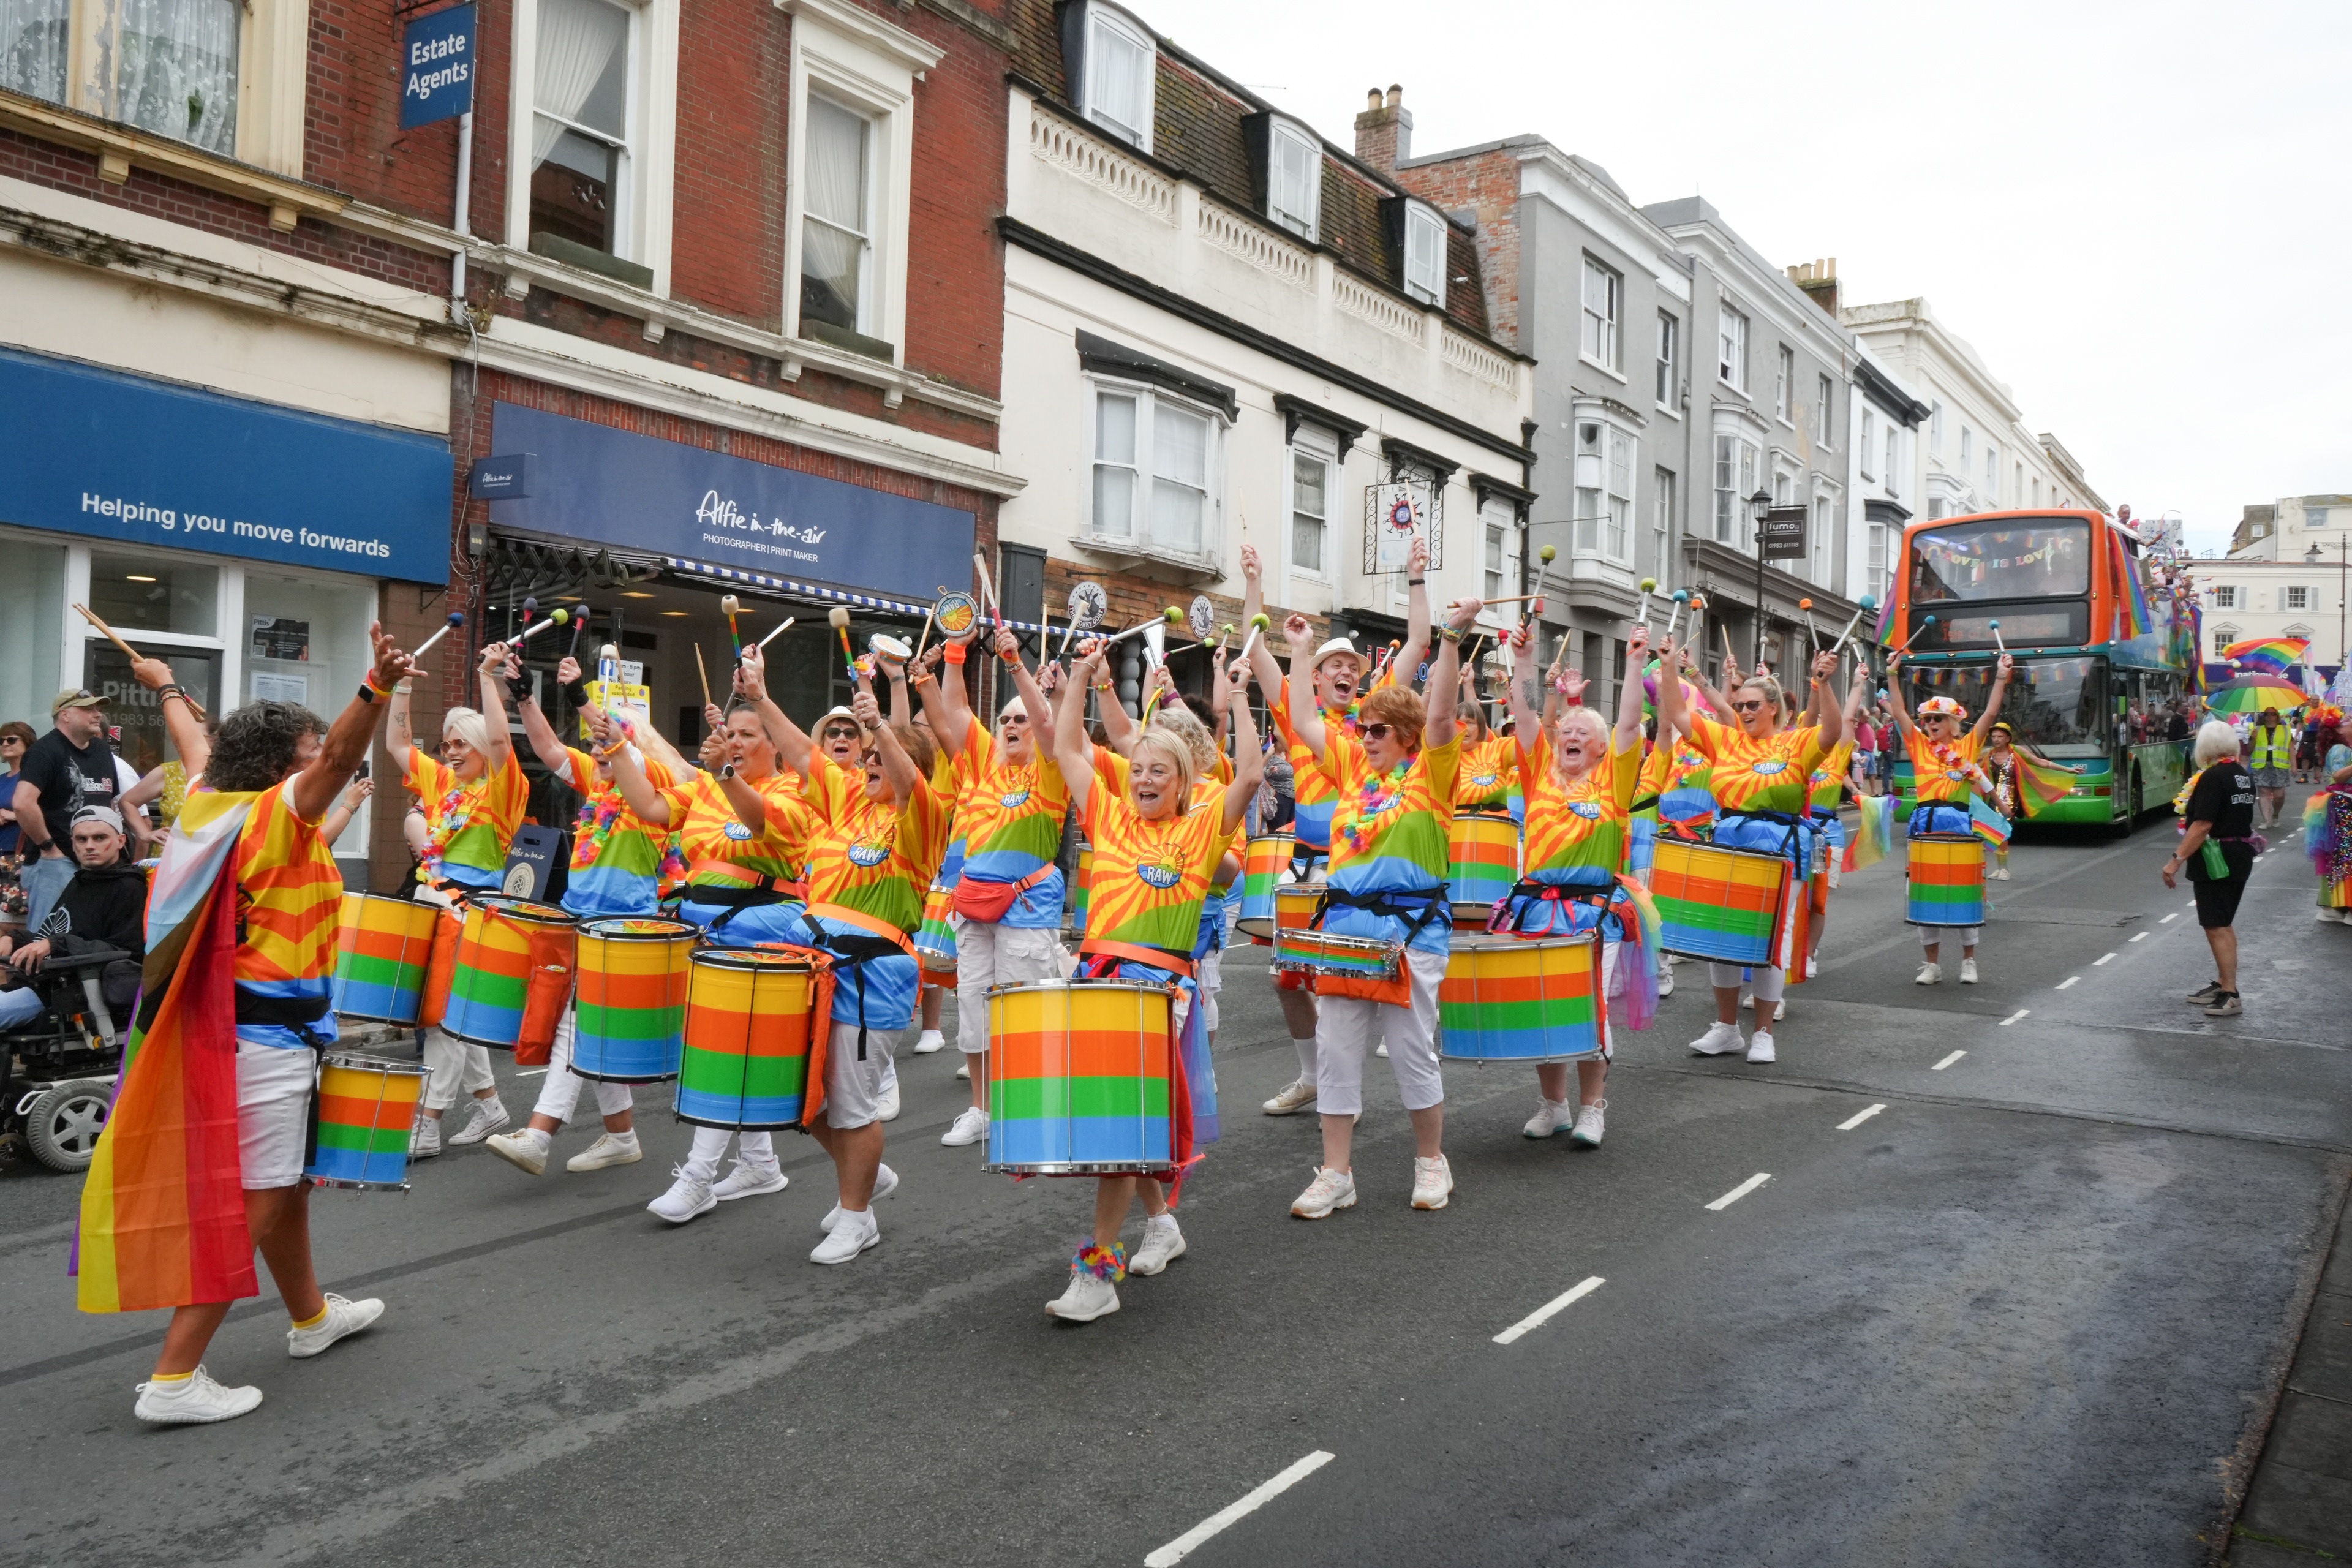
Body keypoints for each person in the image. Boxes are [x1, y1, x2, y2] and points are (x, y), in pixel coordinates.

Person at [83, 634, 413, 1425]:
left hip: (235, 1036)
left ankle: (311, 1318)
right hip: (267, 1044)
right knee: (258, 1198)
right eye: (302, 755)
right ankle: (174, 1377)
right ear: (277, 770)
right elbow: (337, 758)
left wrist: (164, 685)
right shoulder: (275, 814)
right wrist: (374, 686)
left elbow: (198, 742)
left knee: (288, 1184)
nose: (319, 765)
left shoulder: (205, 800)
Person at [1036, 640, 1259, 1319]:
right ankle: (1161, 1222)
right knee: (1116, 1127)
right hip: (1096, 982)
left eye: (1159, 770)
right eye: (1138, 769)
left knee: (1116, 1135)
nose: (1144, 779)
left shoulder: (1201, 832)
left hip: (1160, 993)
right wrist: (1078, 676)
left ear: (1185, 782)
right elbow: (1070, 751)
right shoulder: (1108, 815)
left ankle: (1097, 1276)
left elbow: (1249, 774)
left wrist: (1243, 699)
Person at [742, 654, 948, 1265]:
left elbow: (910, 781)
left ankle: (858, 1217)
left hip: (873, 975)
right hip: (816, 969)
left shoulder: (924, 817)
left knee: (853, 1103)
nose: (871, 766)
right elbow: (801, 751)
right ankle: (867, 1175)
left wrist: (881, 725)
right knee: (809, 1099)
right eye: (869, 759)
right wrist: (758, 695)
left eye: (881, 759)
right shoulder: (850, 803)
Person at [1283, 595, 1476, 1219]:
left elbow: (1442, 712)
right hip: (1346, 928)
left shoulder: (1430, 776)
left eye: (1376, 730)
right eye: (1362, 728)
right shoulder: (1351, 770)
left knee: (1413, 1048)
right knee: (1336, 1050)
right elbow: (1307, 719)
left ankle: (1430, 1161)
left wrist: (1449, 639)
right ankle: (1335, 1173)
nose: (1362, 737)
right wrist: (1298, 652)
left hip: (1410, 932)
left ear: (1406, 736)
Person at [607, 670, 820, 1223]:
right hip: (704, 933)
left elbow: (762, 823)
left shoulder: (796, 789)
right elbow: (651, 807)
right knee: (725, 1049)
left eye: (749, 735)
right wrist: (616, 747)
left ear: (775, 743)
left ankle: (699, 1177)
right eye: (733, 733)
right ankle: (760, 1164)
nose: (736, 742)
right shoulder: (704, 786)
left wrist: (724, 771)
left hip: (763, 933)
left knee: (724, 1052)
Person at [1240, 540, 1431, 1118]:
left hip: (1361, 869)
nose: (1345, 672)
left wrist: (1416, 578)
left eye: (1352, 666)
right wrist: (1255, 581)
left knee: (1349, 982)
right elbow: (1258, 654)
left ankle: (1365, 1074)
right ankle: (1313, 1075)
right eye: (1333, 666)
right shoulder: (1299, 716)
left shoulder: (1377, 717)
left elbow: (1419, 643)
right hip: (1305, 865)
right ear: (1317, 679)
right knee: (1288, 981)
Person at [485, 655, 684, 1178]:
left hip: (625, 929)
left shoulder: (654, 782)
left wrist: (582, 700)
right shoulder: (598, 788)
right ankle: (621, 1137)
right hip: (581, 923)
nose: (599, 749)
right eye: (596, 745)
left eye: (608, 743)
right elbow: (549, 750)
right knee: (593, 1030)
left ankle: (538, 1135)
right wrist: (527, 697)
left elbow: (621, 745)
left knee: (577, 1028)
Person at [916, 623, 1070, 1150]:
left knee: (1022, 1008)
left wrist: (1015, 667)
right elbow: (954, 715)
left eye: (1019, 719)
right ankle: (981, 1108)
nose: (1009, 724)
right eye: (1003, 718)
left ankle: (1025, 1106)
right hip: (974, 908)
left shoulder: (1051, 771)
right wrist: (950, 658)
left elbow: (1051, 724)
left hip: (1028, 907)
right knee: (977, 1008)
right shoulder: (983, 768)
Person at [1654, 639, 1844, 1064]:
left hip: (1780, 851)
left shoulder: (1796, 745)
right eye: (1741, 706)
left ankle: (1763, 1032)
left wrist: (1824, 684)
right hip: (1728, 848)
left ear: (1774, 707)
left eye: (1753, 705)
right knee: (1723, 937)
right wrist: (1669, 669)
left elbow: (1832, 732)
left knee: (1771, 939)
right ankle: (1725, 1029)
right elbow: (1681, 715)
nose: (1745, 712)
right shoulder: (1726, 741)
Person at [1498, 621, 1651, 1145]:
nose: (1573, 734)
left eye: (1585, 731)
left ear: (1604, 750)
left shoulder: (1615, 781)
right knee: (1544, 1007)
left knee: (1590, 1007)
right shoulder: (1539, 771)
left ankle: (1593, 1108)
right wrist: (1523, 663)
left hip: (1593, 913)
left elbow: (1630, 723)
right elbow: (1522, 716)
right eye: (1567, 730)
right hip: (1537, 909)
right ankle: (1553, 1105)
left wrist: (1634, 663)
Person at [386, 643, 529, 1156]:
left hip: (469, 914)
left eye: (459, 743)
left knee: (443, 1020)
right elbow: (400, 746)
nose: (450, 750)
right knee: (448, 1015)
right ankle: (489, 1103)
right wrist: (399, 684)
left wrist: (487, 679)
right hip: (429, 904)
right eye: (446, 742)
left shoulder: (503, 789)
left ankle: (427, 1122)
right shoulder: (443, 784)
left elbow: (499, 741)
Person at [1883, 650, 2013, 984]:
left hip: (1958, 826)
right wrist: (1893, 675)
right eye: (1927, 720)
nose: (1930, 725)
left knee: (1963, 894)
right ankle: (1932, 965)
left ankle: (1969, 961)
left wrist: (2000, 676)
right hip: (1925, 826)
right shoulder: (1918, 746)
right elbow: (1898, 711)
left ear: (1952, 723)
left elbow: (1991, 712)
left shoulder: (1968, 746)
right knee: (1926, 896)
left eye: (1937, 719)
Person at [0, 805, 146, 1030]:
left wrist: (56, 944)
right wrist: (15, 939)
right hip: (36, 983)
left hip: (66, 994)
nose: (89, 846)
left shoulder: (129, 887)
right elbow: (53, 934)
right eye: (81, 839)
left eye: (99, 838)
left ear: (121, 841)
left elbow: (126, 951)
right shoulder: (81, 881)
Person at [13, 689, 126, 931]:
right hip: (57, 861)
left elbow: (111, 800)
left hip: (97, 861)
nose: (98, 715)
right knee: (47, 934)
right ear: (65, 715)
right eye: (88, 709)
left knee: (86, 932)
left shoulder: (101, 749)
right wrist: (49, 848)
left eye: (98, 709)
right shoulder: (45, 751)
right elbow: (23, 803)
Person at [2165, 722, 2256, 1017]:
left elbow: (2202, 824)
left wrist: (2176, 860)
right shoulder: (2242, 775)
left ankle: (2230, 992)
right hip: (2239, 852)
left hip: (2218, 856)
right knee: (2222, 922)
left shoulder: (2212, 777)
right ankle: (2222, 983)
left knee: (2216, 925)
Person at [2309, 730, 2352, 925]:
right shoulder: (2340, 749)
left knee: (2341, 858)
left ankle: (2335, 906)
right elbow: (2339, 776)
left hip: (2344, 809)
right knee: (2343, 858)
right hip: (2344, 808)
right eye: (2345, 721)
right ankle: (2339, 907)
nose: (2348, 719)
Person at [0, 719, 34, 934]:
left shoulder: (32, 777)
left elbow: (45, 813)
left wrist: (13, 814)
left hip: (20, 855)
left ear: (28, 743)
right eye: (1, 740)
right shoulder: (3, 779)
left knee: (12, 922)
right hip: (2, 854)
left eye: (12, 739)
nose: (5, 744)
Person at [2247, 707, 2294, 829]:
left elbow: (2291, 749)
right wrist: (2253, 739)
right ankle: (2266, 820)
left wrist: (2294, 765)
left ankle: (2276, 815)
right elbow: (2249, 750)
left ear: (2277, 716)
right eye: (2266, 714)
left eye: (2272, 714)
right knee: (2264, 793)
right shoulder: (2256, 730)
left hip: (2280, 766)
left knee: (2279, 795)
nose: (2269, 716)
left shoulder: (2286, 730)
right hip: (2261, 765)